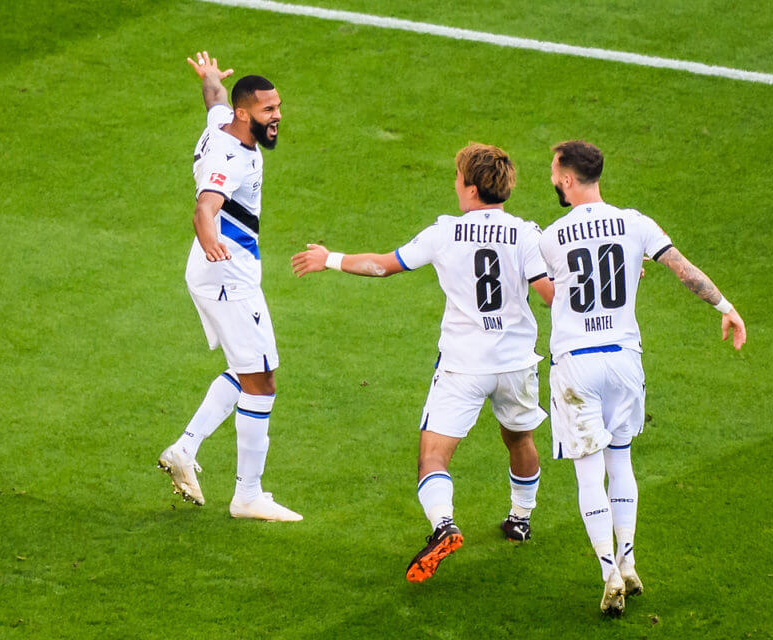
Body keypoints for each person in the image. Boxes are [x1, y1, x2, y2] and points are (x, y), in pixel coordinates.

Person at [291, 143, 554, 582]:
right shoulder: (527, 233)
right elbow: (549, 291)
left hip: (462, 367)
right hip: (516, 363)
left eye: (456, 178)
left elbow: (383, 266)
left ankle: (444, 525)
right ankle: (520, 520)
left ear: (470, 188)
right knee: (519, 439)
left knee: (432, 458)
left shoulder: (444, 232)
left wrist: (329, 259)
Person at [538, 140, 747, 615]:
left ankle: (609, 571)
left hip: (576, 364)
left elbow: (554, 292)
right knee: (621, 460)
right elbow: (683, 271)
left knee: (588, 471)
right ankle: (630, 562)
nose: (552, 180)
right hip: (625, 361)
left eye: (554, 173)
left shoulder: (551, 237)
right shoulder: (636, 223)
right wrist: (726, 307)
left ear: (568, 179)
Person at [157, 51, 301, 522]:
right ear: (246, 115)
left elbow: (214, 99)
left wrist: (210, 78)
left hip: (215, 271)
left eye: (277, 107)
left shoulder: (226, 120)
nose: (277, 117)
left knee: (247, 371)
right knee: (262, 381)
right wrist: (211, 241)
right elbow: (205, 206)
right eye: (268, 111)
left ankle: (185, 447)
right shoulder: (228, 157)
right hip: (226, 275)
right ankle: (248, 496)